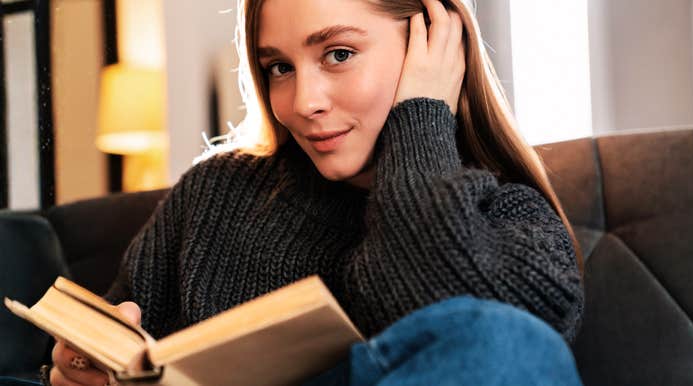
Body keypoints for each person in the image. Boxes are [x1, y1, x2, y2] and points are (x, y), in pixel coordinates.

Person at [35, 0, 585, 385]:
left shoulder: (517, 223)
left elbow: (474, 338)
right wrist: (74, 369)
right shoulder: (217, 192)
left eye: (338, 54)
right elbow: (110, 349)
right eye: (278, 67)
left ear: (436, 46)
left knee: (507, 341)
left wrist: (421, 118)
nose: (302, 102)